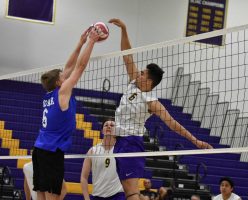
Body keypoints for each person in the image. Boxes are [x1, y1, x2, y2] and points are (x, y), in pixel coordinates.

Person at [108, 18, 213, 200]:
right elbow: (127, 55)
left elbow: (173, 124)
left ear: (148, 81)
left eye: (142, 73)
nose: (138, 73)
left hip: (131, 143)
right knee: (128, 192)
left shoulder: (152, 101)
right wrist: (124, 29)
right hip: (121, 142)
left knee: (132, 192)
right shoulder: (134, 83)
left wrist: (196, 141)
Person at [32, 27, 103, 200]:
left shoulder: (50, 94)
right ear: (59, 82)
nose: (66, 74)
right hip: (51, 152)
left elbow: (70, 66)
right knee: (53, 196)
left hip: (40, 150)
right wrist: (91, 41)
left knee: (52, 192)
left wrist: (80, 42)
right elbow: (79, 66)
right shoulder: (62, 92)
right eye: (63, 76)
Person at [80, 119, 125, 200]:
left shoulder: (121, 150)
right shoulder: (92, 151)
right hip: (98, 196)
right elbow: (83, 177)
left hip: (117, 195)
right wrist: (86, 198)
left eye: (112, 125)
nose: (108, 126)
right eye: (106, 125)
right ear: (102, 130)